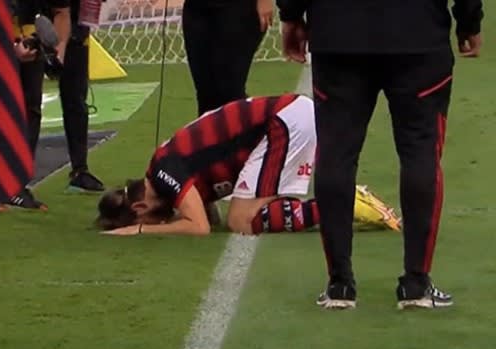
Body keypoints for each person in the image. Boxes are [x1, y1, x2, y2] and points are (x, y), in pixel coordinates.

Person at [277, 0, 483, 309]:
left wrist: (292, 14)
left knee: (336, 153)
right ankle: (416, 283)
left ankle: (340, 285)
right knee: (420, 152)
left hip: (339, 34)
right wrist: (469, 21)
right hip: (418, 34)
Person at [96, 94, 401, 236]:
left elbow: (199, 227)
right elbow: (207, 217)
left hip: (282, 122)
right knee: (250, 215)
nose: (159, 223)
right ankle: (339, 203)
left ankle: (345, 203)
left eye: (146, 221)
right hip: (285, 120)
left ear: (138, 209)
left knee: (241, 221)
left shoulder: (163, 172)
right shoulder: (164, 172)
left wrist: (139, 233)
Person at [0, 0, 72, 212]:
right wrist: (12, 48)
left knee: (31, 110)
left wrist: (57, 50)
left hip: (28, 40)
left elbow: (62, 11)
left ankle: (17, 184)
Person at [182, 0, 273, 116]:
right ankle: (211, 133)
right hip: (196, 9)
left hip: (240, 8)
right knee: (206, 94)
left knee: (229, 91)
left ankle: (243, 132)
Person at [59, 0, 105, 193]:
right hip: (40, 15)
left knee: (76, 98)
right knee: (28, 101)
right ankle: (13, 180)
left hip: (77, 21)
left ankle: (80, 170)